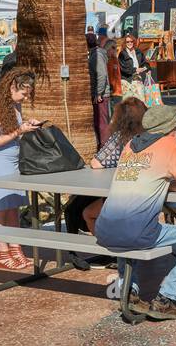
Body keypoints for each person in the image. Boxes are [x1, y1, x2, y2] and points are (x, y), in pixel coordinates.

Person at [93, 104, 176, 319]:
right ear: (170, 129)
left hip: (103, 229)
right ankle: (168, 297)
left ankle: (129, 292)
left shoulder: (130, 145)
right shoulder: (169, 145)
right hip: (136, 232)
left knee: (127, 231)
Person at [63, 97, 147, 263]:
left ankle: (110, 251)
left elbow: (96, 163)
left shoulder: (121, 137)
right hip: (145, 195)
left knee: (80, 210)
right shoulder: (150, 136)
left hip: (122, 196)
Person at [0, 69, 42, 271]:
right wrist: (19, 130)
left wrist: (26, 125)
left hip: (12, 160)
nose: (25, 98)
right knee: (0, 209)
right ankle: (3, 252)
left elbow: (12, 131)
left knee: (13, 206)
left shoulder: (13, 106)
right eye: (23, 93)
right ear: (12, 87)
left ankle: (15, 248)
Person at [88, 31, 111, 146]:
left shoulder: (96, 55)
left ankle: (105, 148)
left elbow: (102, 75)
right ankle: (102, 146)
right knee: (99, 122)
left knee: (102, 123)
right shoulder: (95, 54)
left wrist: (98, 93)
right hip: (99, 93)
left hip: (101, 95)